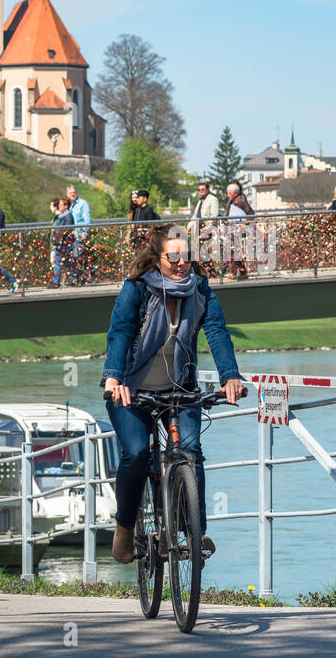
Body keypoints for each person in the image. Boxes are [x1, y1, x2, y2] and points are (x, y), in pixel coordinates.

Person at [101, 226, 245, 564]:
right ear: (157, 258)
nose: (181, 264)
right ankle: (124, 528)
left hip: (179, 387)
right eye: (173, 257)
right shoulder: (136, 290)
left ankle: (195, 531)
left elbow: (216, 331)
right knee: (136, 454)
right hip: (131, 390)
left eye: (187, 257)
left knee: (190, 450)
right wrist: (114, 378)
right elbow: (120, 332)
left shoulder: (200, 289)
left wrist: (229, 376)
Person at [223, 182, 253, 280]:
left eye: (229, 193)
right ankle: (238, 272)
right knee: (232, 252)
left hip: (238, 231)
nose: (227, 195)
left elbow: (251, 214)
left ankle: (241, 273)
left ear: (235, 193)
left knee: (234, 252)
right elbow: (227, 214)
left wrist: (244, 224)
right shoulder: (231, 201)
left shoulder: (241, 202)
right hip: (231, 229)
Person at [66, 185, 91, 284]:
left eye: (74, 192)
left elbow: (87, 220)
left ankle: (80, 276)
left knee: (76, 256)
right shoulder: (67, 205)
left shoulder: (82, 204)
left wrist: (85, 232)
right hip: (68, 237)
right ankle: (76, 278)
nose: (73, 194)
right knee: (68, 258)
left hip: (79, 235)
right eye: (70, 192)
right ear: (67, 194)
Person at [51, 196, 76, 288]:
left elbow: (68, 229)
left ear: (66, 206)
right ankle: (77, 277)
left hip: (64, 243)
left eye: (61, 205)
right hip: (59, 243)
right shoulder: (60, 216)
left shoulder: (68, 216)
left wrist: (59, 234)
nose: (59, 206)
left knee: (59, 262)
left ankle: (56, 283)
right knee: (66, 263)